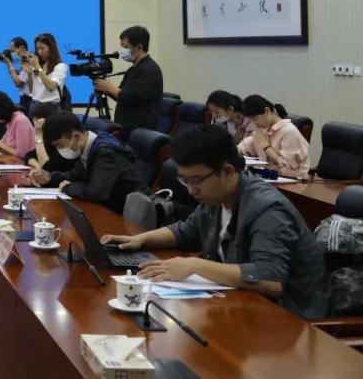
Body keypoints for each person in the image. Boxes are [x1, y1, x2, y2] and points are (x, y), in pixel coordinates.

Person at [101, 125, 329, 318]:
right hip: (240, 305)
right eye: (184, 180)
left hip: (288, 319)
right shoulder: (216, 198)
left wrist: (195, 266)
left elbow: (271, 279)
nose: (191, 190)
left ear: (228, 171)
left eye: (196, 180)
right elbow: (185, 231)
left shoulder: (267, 209)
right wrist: (139, 239)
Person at [30, 112, 149, 214]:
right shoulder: (89, 146)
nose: (59, 150)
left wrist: (67, 187)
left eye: (60, 145)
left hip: (132, 214)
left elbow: (95, 192)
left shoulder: (106, 153)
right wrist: (49, 177)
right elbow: (74, 175)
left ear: (76, 136)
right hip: (110, 208)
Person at [93, 26, 163, 139]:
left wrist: (111, 88)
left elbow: (136, 98)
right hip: (125, 128)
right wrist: (106, 89)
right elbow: (121, 95)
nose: (122, 51)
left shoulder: (150, 70)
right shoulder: (132, 69)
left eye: (126, 47)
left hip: (140, 133)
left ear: (139, 47)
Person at [236, 95, 309, 178]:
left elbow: (287, 166)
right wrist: (234, 151)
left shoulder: (289, 131)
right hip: (270, 177)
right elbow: (245, 146)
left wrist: (265, 147)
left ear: (267, 111)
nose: (255, 124)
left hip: (294, 181)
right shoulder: (263, 130)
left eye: (255, 119)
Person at [22, 33, 68, 114]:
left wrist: (38, 68)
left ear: (51, 48)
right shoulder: (37, 65)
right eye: (37, 49)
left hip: (51, 107)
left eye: (42, 48)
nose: (39, 52)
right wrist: (29, 74)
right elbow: (31, 90)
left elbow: (51, 87)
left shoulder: (60, 66)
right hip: (34, 105)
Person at [24, 102, 75, 173]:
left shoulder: (60, 141)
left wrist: (38, 137)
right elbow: (28, 155)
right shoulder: (48, 139)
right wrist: (37, 165)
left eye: (38, 124)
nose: (35, 128)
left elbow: (47, 168)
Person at [0, 36, 33, 114]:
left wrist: (9, 63)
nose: (11, 54)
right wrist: (8, 64)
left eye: (12, 51)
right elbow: (19, 75)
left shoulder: (29, 61)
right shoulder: (24, 60)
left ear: (21, 48)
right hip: (25, 99)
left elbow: (18, 83)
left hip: (29, 101)